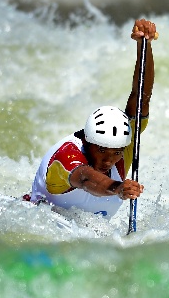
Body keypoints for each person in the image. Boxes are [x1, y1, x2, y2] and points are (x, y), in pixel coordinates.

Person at [29, 19, 156, 219]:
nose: (109, 160)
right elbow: (87, 179)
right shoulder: (66, 157)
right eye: (102, 150)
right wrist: (118, 188)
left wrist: (144, 46)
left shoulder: (125, 148)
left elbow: (141, 96)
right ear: (87, 141)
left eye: (116, 153)